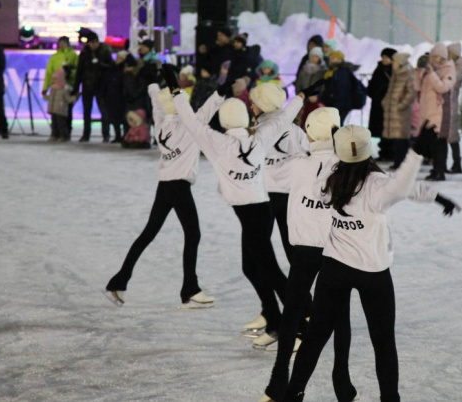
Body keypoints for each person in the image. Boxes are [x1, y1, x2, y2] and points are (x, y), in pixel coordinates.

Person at [283, 125, 459, 402]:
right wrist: (415, 154)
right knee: (383, 343)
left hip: (334, 269)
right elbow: (399, 186)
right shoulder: (377, 185)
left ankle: (292, 394)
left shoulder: (330, 177)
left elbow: (399, 186)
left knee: (315, 338)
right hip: (372, 274)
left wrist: (434, 196)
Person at [172, 82, 303, 345]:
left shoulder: (218, 143)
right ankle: (276, 320)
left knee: (272, 272)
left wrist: (178, 94)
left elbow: (191, 122)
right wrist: (299, 99)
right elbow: (285, 117)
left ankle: (300, 322)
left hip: (259, 211)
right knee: (256, 268)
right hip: (259, 211)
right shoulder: (258, 138)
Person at [259, 107, 357, 402]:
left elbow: (262, 167)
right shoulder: (347, 164)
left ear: (311, 132)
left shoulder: (298, 164)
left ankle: (279, 380)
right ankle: (343, 381)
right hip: (336, 249)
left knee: (292, 312)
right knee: (341, 315)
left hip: (304, 250)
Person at [105, 85, 221, 307]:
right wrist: (220, 93)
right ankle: (190, 288)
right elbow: (207, 109)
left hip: (165, 185)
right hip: (179, 187)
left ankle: (119, 280)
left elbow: (157, 106)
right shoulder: (190, 126)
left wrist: (153, 90)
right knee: (193, 234)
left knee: (149, 233)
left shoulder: (161, 125)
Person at [251, 83, 310, 348]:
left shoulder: (262, 131)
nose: (250, 105)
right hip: (284, 197)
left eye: (254, 101)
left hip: (274, 198)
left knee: (282, 257)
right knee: (285, 256)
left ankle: (301, 313)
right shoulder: (293, 129)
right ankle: (284, 311)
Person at [416, 43, 456, 181]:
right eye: (433, 56)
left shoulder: (449, 70)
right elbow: (417, 86)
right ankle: (435, 170)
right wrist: (419, 70)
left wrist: (431, 73)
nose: (434, 59)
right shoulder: (430, 70)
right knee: (429, 143)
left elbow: (443, 87)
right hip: (428, 113)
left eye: (437, 56)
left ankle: (440, 170)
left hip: (441, 113)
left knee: (439, 143)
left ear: (443, 57)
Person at [73, 32, 114, 142]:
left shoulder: (105, 51)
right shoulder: (85, 53)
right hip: (87, 86)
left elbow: (111, 67)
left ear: (97, 41)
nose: (92, 45)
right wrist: (76, 87)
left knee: (104, 111)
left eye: (93, 43)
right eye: (90, 43)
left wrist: (100, 64)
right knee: (87, 111)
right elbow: (79, 70)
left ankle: (106, 134)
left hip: (101, 86)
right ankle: (86, 134)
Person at [382, 52, 416, 171]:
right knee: (397, 139)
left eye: (395, 61)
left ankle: (402, 162)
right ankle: (398, 161)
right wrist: (386, 102)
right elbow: (390, 91)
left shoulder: (408, 73)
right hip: (394, 110)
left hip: (401, 111)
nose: (393, 63)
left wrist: (402, 105)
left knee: (402, 138)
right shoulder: (397, 73)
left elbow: (411, 92)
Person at [42, 36, 79, 134]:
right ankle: (56, 132)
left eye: (63, 43)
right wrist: (45, 87)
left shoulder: (73, 55)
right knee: (55, 111)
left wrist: (70, 73)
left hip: (68, 86)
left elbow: (77, 71)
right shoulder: (54, 57)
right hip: (55, 87)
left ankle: (67, 131)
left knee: (67, 111)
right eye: (60, 43)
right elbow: (49, 73)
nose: (61, 45)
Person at [445, 43, 462, 174]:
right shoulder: (452, 65)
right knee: (446, 134)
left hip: (451, 103)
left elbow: (453, 80)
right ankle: (448, 162)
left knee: (452, 134)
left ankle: (456, 163)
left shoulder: (458, 66)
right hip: (447, 102)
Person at [368, 48, 396, 161]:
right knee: (381, 130)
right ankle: (383, 153)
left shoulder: (394, 70)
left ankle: (389, 153)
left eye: (387, 57)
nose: (384, 59)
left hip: (389, 105)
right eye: (383, 57)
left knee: (389, 130)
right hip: (378, 105)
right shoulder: (378, 70)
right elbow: (373, 85)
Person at [100, 50, 130, 143]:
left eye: (119, 58)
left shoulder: (125, 70)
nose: (117, 60)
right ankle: (117, 135)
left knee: (123, 117)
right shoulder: (112, 68)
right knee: (113, 117)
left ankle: (125, 135)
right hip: (111, 96)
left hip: (121, 96)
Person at [321, 50, 359, 123]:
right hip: (334, 103)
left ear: (340, 60)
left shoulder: (342, 71)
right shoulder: (331, 71)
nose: (331, 60)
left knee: (335, 126)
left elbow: (342, 90)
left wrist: (333, 101)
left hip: (340, 105)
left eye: (334, 58)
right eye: (331, 58)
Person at [295, 47, 327, 129]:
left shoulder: (323, 71)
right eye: (312, 56)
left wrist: (318, 97)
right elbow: (299, 84)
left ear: (320, 58)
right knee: (300, 122)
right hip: (303, 101)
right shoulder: (304, 69)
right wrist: (300, 95)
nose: (313, 58)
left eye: (316, 56)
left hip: (316, 102)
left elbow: (324, 86)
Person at [46, 66, 77, 142]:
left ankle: (63, 135)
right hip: (54, 109)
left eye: (55, 79)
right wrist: (45, 96)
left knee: (61, 124)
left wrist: (75, 97)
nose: (53, 80)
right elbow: (50, 98)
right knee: (54, 123)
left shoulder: (64, 89)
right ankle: (54, 135)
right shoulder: (53, 88)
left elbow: (67, 99)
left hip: (61, 109)